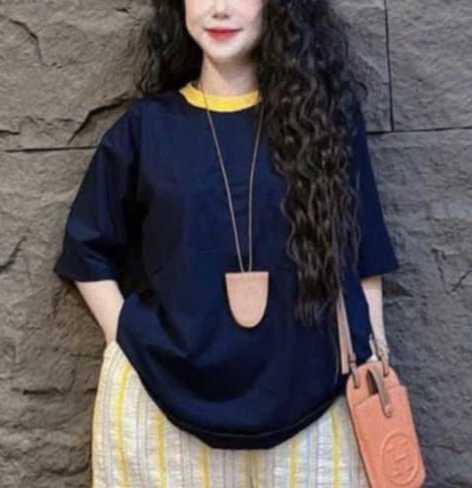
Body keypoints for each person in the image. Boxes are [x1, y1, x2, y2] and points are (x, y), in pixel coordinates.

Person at [53, 0, 400, 486]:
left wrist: (375, 356)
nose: (219, 8)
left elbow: (364, 252)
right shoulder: (147, 128)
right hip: (163, 408)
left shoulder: (324, 121)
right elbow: (87, 249)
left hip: (316, 406)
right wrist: (125, 336)